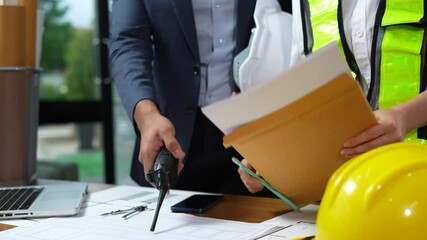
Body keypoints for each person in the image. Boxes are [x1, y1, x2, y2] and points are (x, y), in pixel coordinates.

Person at [239, 0, 427, 193]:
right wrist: (270, 153)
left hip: (417, 179)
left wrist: (405, 115)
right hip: (343, 187)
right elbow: (303, 85)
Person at [109, 0, 291, 195]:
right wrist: (146, 116)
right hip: (172, 136)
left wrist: (274, 133)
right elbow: (128, 44)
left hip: (249, 135)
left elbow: (294, 32)